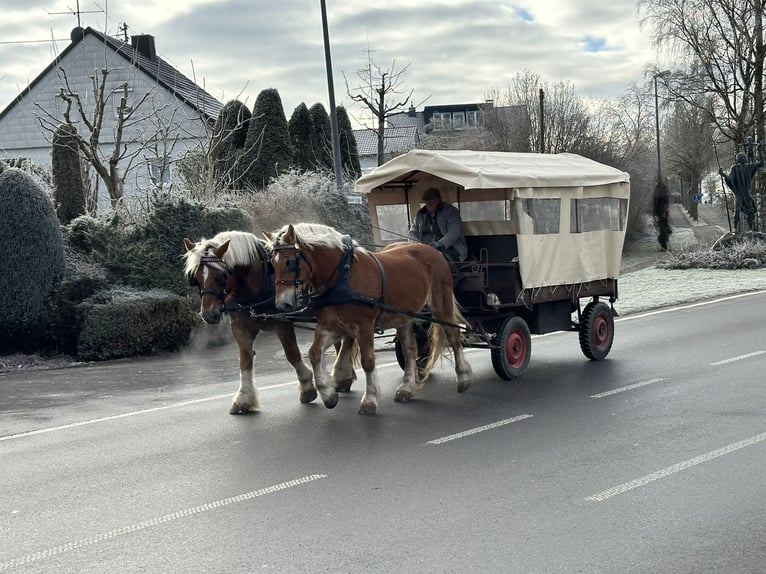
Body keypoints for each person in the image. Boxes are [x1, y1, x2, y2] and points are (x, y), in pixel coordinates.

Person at [408, 187, 467, 262]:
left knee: (435, 260)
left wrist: (439, 244)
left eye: (432, 200)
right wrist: (416, 244)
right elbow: (413, 232)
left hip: (449, 248)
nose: (429, 203)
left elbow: (454, 232)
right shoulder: (420, 214)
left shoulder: (451, 212)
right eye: (426, 201)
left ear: (439, 199)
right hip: (423, 249)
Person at [719, 146, 764, 232]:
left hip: (747, 194)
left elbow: (761, 163)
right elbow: (730, 179)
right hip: (739, 194)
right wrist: (722, 174)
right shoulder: (735, 168)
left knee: (750, 212)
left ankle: (751, 230)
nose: (744, 158)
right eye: (741, 157)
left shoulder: (749, 167)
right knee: (737, 211)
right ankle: (735, 229)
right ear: (739, 160)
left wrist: (759, 150)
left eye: (744, 157)